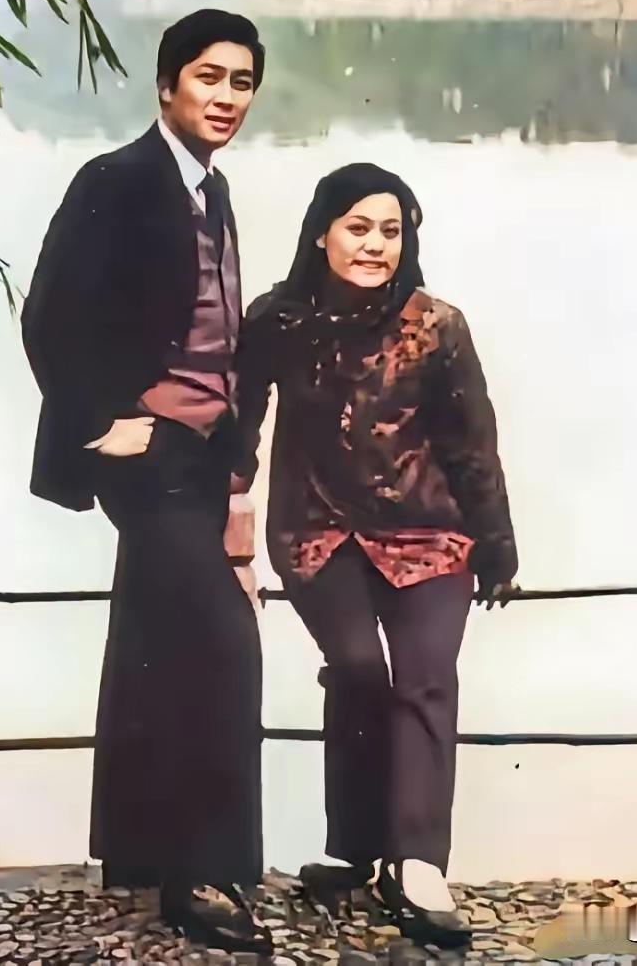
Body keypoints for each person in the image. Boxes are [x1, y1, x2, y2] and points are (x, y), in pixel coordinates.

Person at [21, 9, 272, 956]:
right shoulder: (117, 179)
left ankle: (137, 849)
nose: (226, 97)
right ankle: (198, 875)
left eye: (241, 82)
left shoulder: (214, 188)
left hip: (202, 453)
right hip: (147, 451)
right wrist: (100, 423)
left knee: (154, 640)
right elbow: (48, 315)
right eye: (209, 77)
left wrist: (235, 459)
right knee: (225, 646)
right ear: (166, 85)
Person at [231, 162, 519, 950]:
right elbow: (241, 421)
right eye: (358, 228)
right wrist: (230, 506)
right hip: (318, 529)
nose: (374, 245)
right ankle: (356, 849)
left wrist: (497, 546)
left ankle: (417, 865)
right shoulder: (278, 320)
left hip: (430, 534)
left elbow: (473, 446)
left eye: (390, 232)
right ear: (320, 234)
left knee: (425, 679)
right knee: (359, 668)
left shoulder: (439, 326)